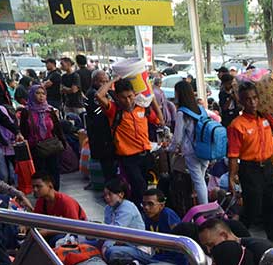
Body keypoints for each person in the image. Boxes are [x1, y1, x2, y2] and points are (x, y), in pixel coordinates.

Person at [227, 81, 273, 245]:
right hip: (249, 169)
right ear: (241, 102)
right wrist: (232, 177)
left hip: (267, 166)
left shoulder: (265, 117)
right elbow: (233, 154)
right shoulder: (237, 125)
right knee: (253, 207)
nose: (252, 102)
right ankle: (237, 238)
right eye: (247, 99)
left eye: (254, 98)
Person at [96, 78, 164, 206]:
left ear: (135, 94)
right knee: (139, 188)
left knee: (153, 187)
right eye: (123, 97)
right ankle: (139, 215)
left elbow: (160, 121)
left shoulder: (142, 108)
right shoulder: (114, 110)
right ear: (116, 96)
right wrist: (114, 79)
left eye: (130, 96)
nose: (127, 100)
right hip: (129, 159)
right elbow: (99, 95)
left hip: (147, 155)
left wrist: (151, 98)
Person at [168, 80, 210, 206]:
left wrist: (170, 149)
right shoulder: (201, 109)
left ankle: (205, 209)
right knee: (201, 179)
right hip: (205, 148)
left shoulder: (182, 113)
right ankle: (204, 206)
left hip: (192, 152)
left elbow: (177, 138)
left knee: (198, 181)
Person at [19, 85, 67, 191]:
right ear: (31, 95)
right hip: (36, 148)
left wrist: (63, 142)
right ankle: (43, 193)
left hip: (52, 146)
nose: (41, 96)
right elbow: (24, 131)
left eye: (43, 93)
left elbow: (57, 128)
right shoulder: (26, 112)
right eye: (38, 93)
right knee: (41, 172)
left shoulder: (49, 110)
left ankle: (54, 192)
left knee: (54, 170)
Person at [139, 188, 187, 265]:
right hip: (155, 258)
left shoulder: (168, 215)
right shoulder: (148, 216)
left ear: (161, 205)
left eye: (150, 204)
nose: (146, 207)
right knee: (117, 252)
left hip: (174, 263)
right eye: (144, 204)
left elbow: (181, 242)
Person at [85, 69, 116, 182]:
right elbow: (101, 114)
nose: (105, 85)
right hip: (101, 137)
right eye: (102, 82)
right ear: (94, 81)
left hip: (110, 136)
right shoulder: (92, 94)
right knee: (107, 167)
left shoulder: (108, 93)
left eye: (107, 81)